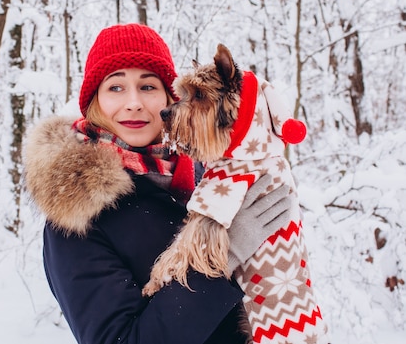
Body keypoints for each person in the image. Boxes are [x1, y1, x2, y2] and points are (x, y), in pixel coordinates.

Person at [23, 23, 294, 344]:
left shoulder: (206, 181)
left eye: (148, 86)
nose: (134, 102)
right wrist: (222, 255)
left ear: (170, 98)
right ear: (94, 102)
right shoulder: (76, 215)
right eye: (116, 87)